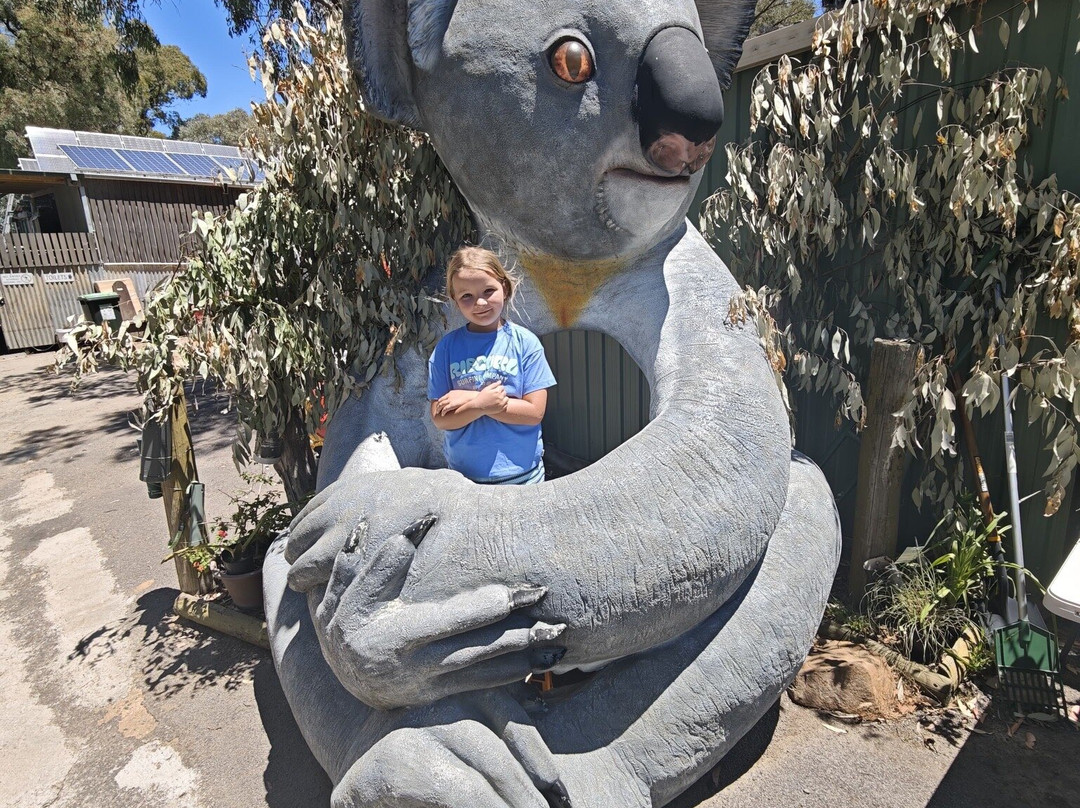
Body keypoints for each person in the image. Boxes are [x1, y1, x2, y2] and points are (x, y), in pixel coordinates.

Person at [428, 246, 556, 485]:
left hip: (524, 478)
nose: (480, 302)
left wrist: (472, 400)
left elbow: (534, 413)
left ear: (504, 288)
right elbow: (440, 419)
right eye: (466, 296)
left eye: (488, 290)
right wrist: (479, 404)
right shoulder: (445, 349)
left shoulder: (526, 344)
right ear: (455, 300)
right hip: (465, 482)